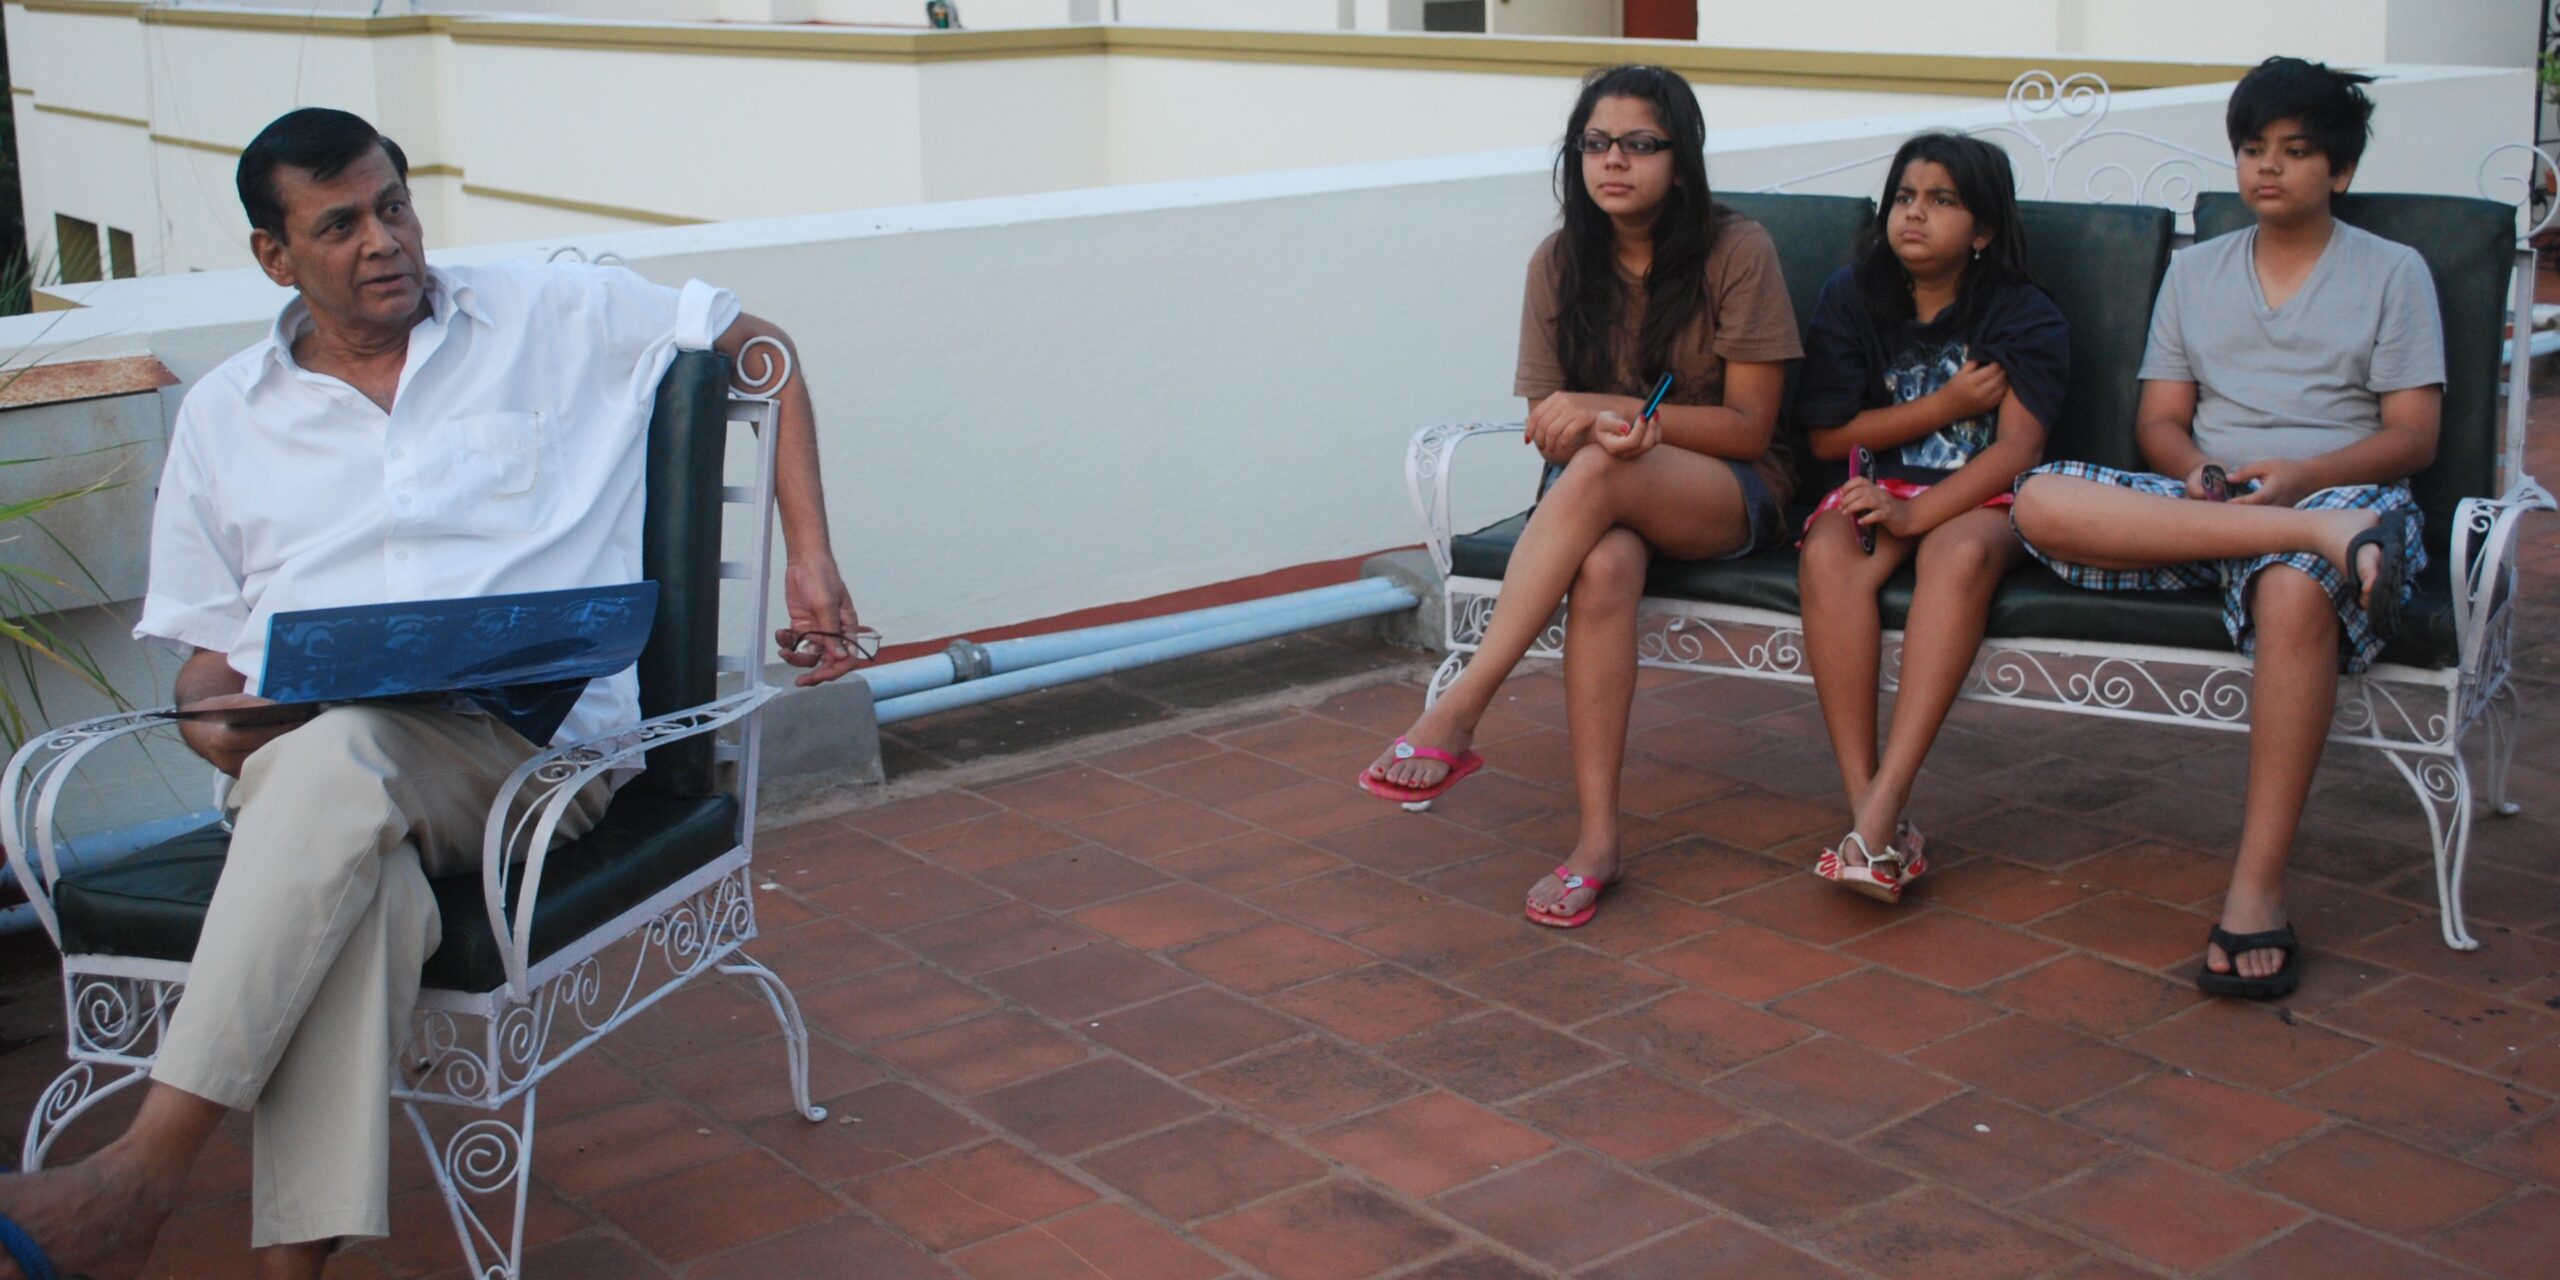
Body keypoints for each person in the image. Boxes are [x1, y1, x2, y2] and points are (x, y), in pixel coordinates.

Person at [0, 107, 863, 1279]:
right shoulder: (225, 416)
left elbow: (761, 348)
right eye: (340, 225)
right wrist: (218, 719)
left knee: (336, 762)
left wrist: (810, 560)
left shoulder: (550, 313)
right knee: (358, 867)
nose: (384, 241)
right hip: (317, 768)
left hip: (528, 761)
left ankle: (141, 1170)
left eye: (394, 207)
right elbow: (206, 661)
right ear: (274, 256)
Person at [2008, 57, 2438, 999]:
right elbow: (2161, 421)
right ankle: (2303, 540)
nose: (2267, 167)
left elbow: (2413, 436)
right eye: (2252, 149)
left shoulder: (2392, 272)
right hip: (2212, 508)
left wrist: (2306, 481)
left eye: (2295, 150)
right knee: (2038, 496)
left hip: (2341, 496)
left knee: (2291, 590)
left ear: (2341, 169)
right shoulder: (2196, 271)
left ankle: (2256, 890)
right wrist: (2195, 472)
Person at [1359, 64, 1802, 929]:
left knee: (1600, 469)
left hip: (1730, 489)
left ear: (1682, 159)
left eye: (1640, 144)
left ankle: (1462, 706)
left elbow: (1751, 428)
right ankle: (1597, 843)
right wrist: (1598, 427)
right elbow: (1550, 428)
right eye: (1596, 143)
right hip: (1604, 495)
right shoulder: (1560, 262)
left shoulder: (1737, 251)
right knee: (1601, 567)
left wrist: (1618, 415)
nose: (1614, 161)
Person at [1796, 133, 2067, 902]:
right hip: (1877, 485)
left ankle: (1884, 804)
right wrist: (1945, 405)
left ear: (1983, 229)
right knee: (1828, 552)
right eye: (1905, 197)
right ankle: (1871, 813)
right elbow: (1827, 437)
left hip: (1981, 496)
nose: (1915, 214)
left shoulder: (2021, 312)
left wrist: (1919, 517)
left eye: (1942, 200)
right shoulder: (1853, 295)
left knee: (1959, 555)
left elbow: (2018, 448)